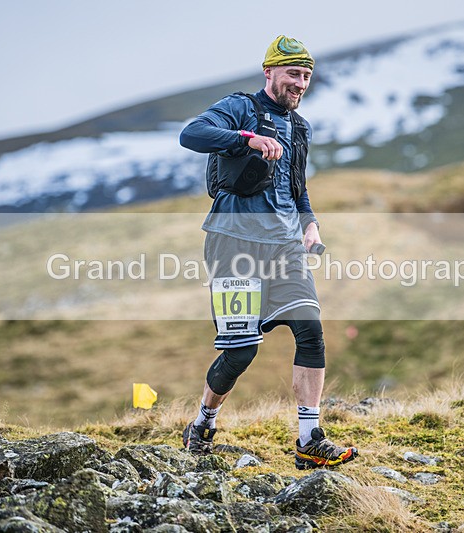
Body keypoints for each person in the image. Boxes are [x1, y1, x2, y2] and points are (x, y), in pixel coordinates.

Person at [178, 35, 358, 470]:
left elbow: (298, 187)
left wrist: (309, 224)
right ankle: (203, 421)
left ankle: (308, 439)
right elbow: (191, 134)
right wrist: (247, 139)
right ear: (270, 72)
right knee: (241, 352)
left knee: (311, 330)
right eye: (293, 74)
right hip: (232, 244)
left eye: (306, 77)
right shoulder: (241, 107)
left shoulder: (300, 127)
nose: (300, 84)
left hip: (284, 247)